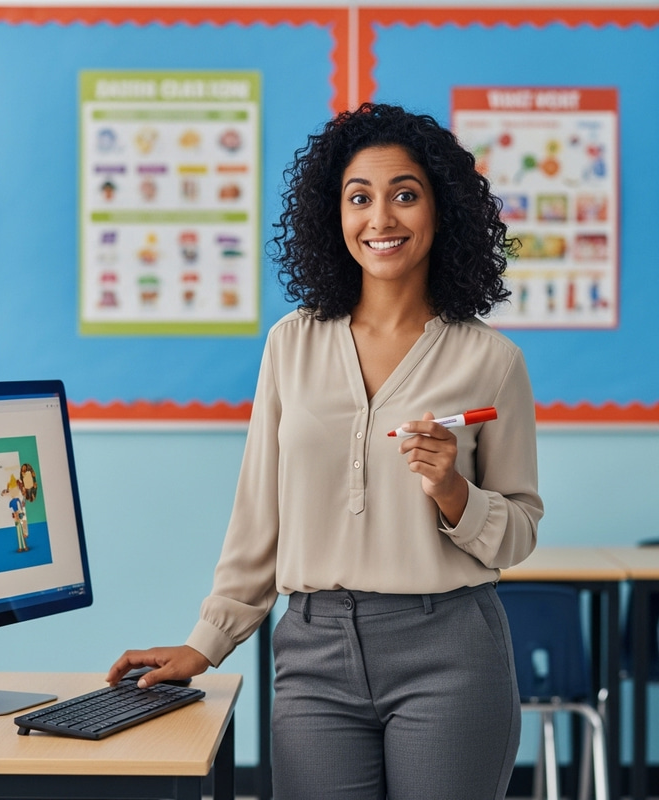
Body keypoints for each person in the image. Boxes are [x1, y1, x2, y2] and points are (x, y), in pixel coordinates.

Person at [107, 103, 543, 800]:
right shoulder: (292, 343)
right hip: (314, 653)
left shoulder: (492, 361)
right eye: (359, 198)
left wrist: (454, 492)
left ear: (442, 210)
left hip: (450, 653)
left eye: (405, 194)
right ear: (333, 216)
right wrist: (207, 641)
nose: (381, 218)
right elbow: (259, 514)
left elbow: (519, 532)